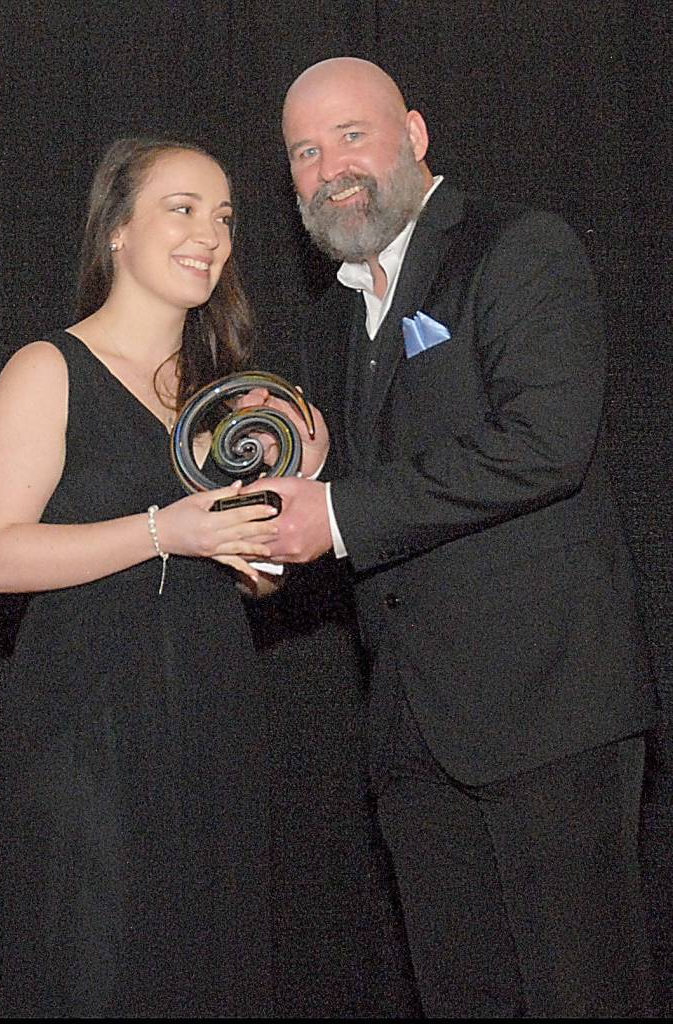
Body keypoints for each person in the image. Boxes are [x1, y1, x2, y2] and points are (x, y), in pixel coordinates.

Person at [255, 57, 660, 1017]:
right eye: (305, 153)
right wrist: (270, 547)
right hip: (411, 732)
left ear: (416, 134)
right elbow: (359, 520)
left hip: (549, 711)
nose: (330, 169)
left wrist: (339, 514)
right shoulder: (326, 324)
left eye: (351, 136)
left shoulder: (517, 247)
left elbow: (545, 445)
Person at [0, 137, 289, 1017]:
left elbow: (250, 573)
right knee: (92, 968)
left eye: (223, 217)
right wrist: (161, 531)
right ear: (116, 230)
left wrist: (263, 547)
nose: (209, 235)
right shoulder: (48, 369)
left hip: (211, 711)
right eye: (181, 209)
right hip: (89, 725)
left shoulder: (223, 400)